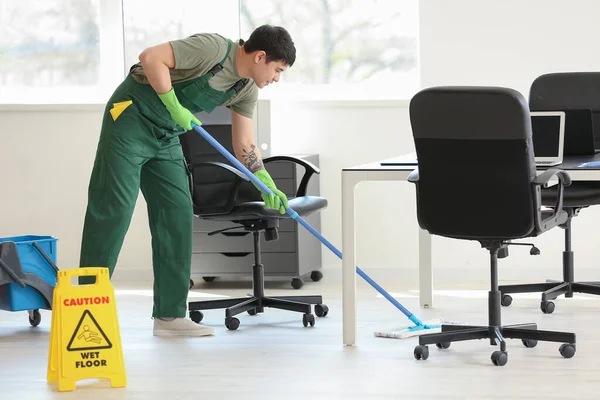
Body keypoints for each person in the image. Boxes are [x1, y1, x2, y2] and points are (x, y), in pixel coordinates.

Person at [78, 25, 295, 337]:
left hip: (166, 136)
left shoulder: (246, 88)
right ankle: (84, 309)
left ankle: (169, 317)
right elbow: (150, 57)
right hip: (130, 119)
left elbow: (245, 143)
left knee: (176, 215)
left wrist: (264, 181)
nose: (276, 78)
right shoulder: (212, 49)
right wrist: (174, 105)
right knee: (113, 212)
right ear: (260, 56)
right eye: (278, 70)